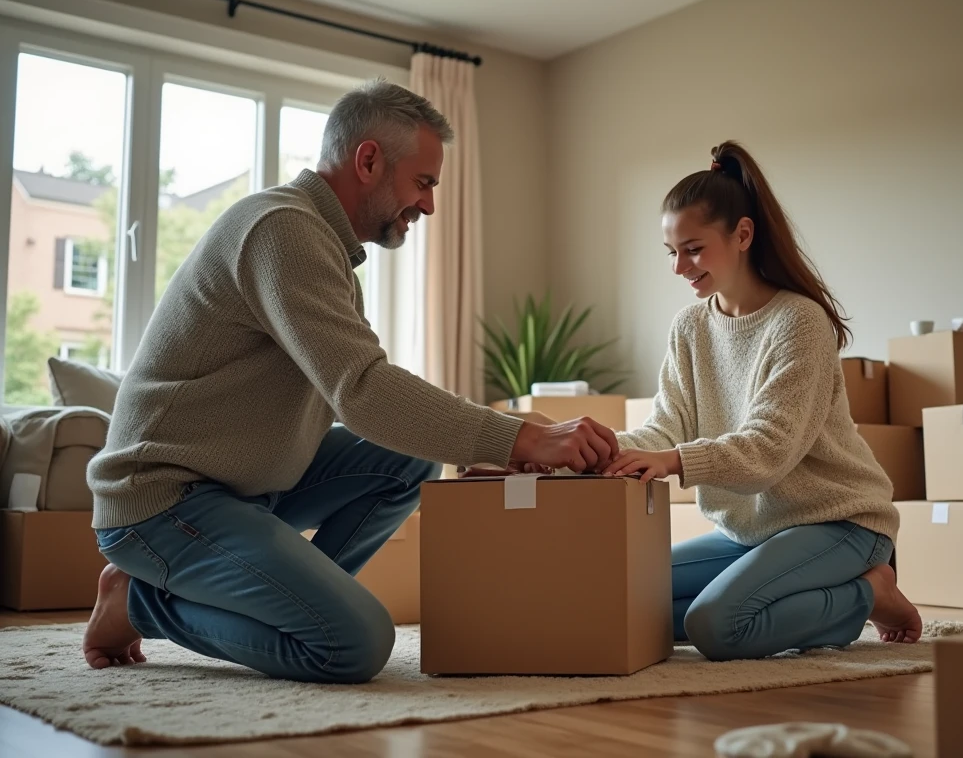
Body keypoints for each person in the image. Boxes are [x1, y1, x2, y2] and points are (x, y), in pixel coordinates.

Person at [81, 78, 618, 683]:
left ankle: (297, 604)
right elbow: (363, 391)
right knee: (352, 646)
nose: (429, 206)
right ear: (368, 161)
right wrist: (518, 436)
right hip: (165, 497)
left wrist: (480, 444)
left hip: (244, 484)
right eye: (423, 182)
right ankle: (138, 603)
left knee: (409, 460)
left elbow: (358, 397)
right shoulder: (283, 230)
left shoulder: (319, 243)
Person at [603, 141, 921, 661]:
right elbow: (665, 426)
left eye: (693, 249)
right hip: (750, 533)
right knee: (622, 598)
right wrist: (587, 452)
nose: (679, 267)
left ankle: (871, 593)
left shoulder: (799, 322)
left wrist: (674, 461)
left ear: (743, 235)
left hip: (838, 521)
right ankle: (791, 591)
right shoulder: (690, 327)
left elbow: (768, 451)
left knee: (715, 625)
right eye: (671, 252)